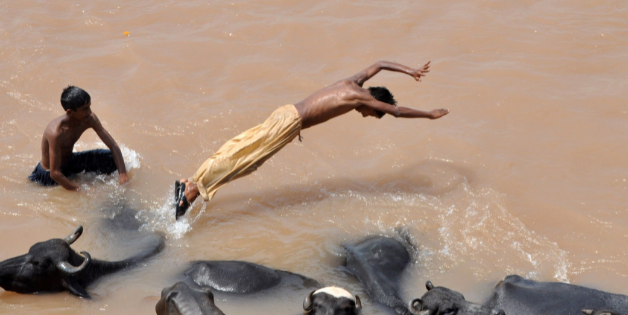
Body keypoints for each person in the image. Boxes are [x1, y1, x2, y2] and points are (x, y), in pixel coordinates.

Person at [174, 60, 449, 219]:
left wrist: (410, 70)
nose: (365, 116)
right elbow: (398, 112)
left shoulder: (353, 82)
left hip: (285, 113)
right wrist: (429, 115)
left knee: (241, 146)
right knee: (246, 160)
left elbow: (379, 64)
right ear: (374, 103)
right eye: (371, 115)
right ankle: (194, 190)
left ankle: (189, 182)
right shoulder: (361, 97)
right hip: (290, 124)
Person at [29, 86, 129, 190]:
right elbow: (55, 173)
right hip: (49, 175)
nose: (90, 112)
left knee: (110, 158)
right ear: (70, 112)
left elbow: (113, 145)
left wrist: (123, 174)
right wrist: (81, 190)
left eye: (89, 106)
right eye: (85, 109)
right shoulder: (56, 133)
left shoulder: (89, 119)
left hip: (70, 162)